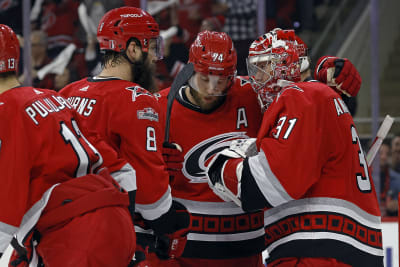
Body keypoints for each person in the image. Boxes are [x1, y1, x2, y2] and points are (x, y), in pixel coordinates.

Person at [206, 30, 384, 266]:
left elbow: (270, 184)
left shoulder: (300, 96)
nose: (256, 78)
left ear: (285, 63)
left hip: (317, 248)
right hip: (349, 247)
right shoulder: (321, 96)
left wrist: (222, 166)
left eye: (263, 66)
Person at [59, 7, 190, 265]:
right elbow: (150, 196)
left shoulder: (66, 93)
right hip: (113, 236)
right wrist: (170, 219)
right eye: (152, 48)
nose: (155, 57)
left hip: (63, 235)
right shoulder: (137, 99)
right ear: (132, 50)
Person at [0, 24, 137, 266]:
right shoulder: (52, 97)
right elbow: (120, 169)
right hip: (115, 220)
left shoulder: (6, 113)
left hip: (75, 238)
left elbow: (6, 212)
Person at [159, 30, 265, 267]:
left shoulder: (253, 95)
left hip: (247, 245)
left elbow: (304, 106)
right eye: (204, 78)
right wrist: (154, 169)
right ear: (190, 69)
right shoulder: (159, 108)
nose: (211, 89)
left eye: (222, 80)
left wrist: (329, 85)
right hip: (185, 252)